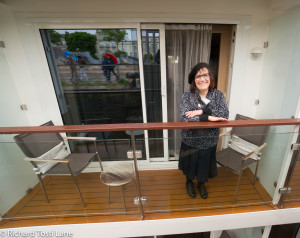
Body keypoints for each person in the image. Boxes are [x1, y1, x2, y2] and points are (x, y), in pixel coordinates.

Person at [179, 62, 229, 199]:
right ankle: (189, 182)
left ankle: (201, 184)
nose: (202, 79)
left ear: (210, 77)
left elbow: (224, 115)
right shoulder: (187, 96)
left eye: (204, 75)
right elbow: (185, 118)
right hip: (191, 140)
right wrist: (210, 118)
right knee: (190, 167)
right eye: (197, 76)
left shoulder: (218, 95)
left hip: (209, 141)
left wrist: (201, 111)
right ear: (193, 81)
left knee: (203, 166)